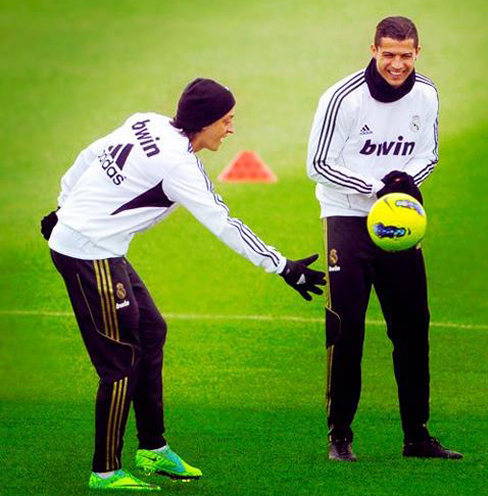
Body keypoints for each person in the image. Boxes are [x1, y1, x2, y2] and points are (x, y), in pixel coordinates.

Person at [41, 78, 325, 490]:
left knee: (151, 331)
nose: (230, 130)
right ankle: (105, 471)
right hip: (88, 252)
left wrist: (63, 204)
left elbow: (91, 154)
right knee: (120, 363)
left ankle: (153, 450)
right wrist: (284, 267)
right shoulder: (179, 166)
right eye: (226, 121)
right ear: (205, 122)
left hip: (101, 246)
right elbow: (224, 223)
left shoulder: (147, 121)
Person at [307, 16, 462, 462]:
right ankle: (340, 435)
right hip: (348, 218)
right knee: (347, 329)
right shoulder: (342, 98)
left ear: (417, 53)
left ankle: (417, 436)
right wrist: (378, 189)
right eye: (389, 54)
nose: (397, 64)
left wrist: (404, 182)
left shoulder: (427, 93)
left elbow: (428, 153)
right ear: (373, 50)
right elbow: (318, 165)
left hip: (401, 222)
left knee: (413, 328)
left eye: (406, 55)